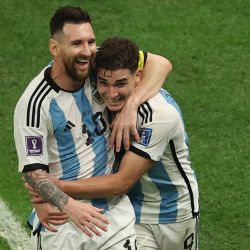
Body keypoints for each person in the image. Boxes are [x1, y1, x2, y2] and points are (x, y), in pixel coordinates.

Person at [14, 6, 172, 250]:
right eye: (77, 43)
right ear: (54, 48)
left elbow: (160, 64)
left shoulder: (97, 64)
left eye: (91, 41)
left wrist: (131, 106)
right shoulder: (35, 104)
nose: (87, 51)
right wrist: (69, 204)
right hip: (62, 225)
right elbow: (33, 174)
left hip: (114, 218)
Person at [34, 37, 199, 250]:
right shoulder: (100, 66)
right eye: (104, 83)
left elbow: (122, 181)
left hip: (173, 212)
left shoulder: (159, 115)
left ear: (138, 76)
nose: (111, 94)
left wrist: (54, 190)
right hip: (130, 211)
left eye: (121, 83)